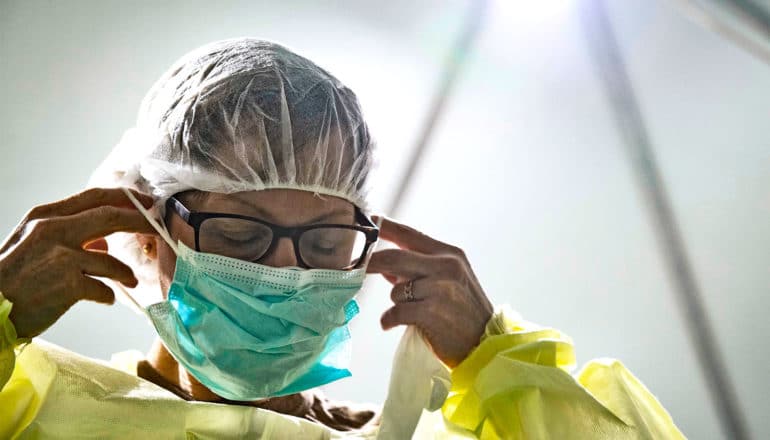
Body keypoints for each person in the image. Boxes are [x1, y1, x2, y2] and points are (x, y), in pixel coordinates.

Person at [0, 38, 684, 439]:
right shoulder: (44, 413)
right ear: (145, 234)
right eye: (240, 235)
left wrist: (500, 364)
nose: (288, 274)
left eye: (325, 246)